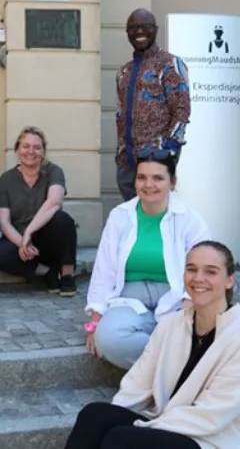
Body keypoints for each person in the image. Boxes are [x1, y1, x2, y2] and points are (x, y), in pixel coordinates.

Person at [65, 241, 240, 449]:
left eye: (211, 272)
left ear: (229, 280)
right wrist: (118, 418)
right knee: (96, 415)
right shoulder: (171, 325)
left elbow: (214, 413)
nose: (199, 278)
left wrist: (147, 428)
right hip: (169, 425)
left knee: (123, 439)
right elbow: (137, 383)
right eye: (192, 269)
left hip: (214, 439)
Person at [85, 153, 210, 370]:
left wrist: (190, 302)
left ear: (172, 182)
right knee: (108, 338)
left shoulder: (189, 219)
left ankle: (151, 374)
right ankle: (172, 368)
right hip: (130, 299)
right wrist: (95, 321)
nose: (148, 185)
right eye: (142, 178)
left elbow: (205, 268)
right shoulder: (120, 216)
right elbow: (104, 270)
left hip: (176, 297)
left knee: (194, 335)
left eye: (158, 178)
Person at [0, 126, 78, 296]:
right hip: (20, 241)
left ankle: (67, 275)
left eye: (37, 147)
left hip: (45, 238)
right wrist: (22, 243)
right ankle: (47, 273)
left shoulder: (54, 171)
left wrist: (29, 232)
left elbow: (54, 201)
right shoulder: (7, 179)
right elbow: (4, 221)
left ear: (44, 152)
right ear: (17, 149)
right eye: (26, 146)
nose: (31, 151)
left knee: (63, 220)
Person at [115, 8, 191, 201]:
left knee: (158, 214)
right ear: (127, 33)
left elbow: (181, 110)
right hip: (127, 162)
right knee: (132, 216)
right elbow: (119, 114)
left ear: (155, 29)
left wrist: (168, 150)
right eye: (133, 28)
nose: (139, 32)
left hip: (156, 158)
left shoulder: (169, 65)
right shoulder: (123, 72)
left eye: (145, 26)